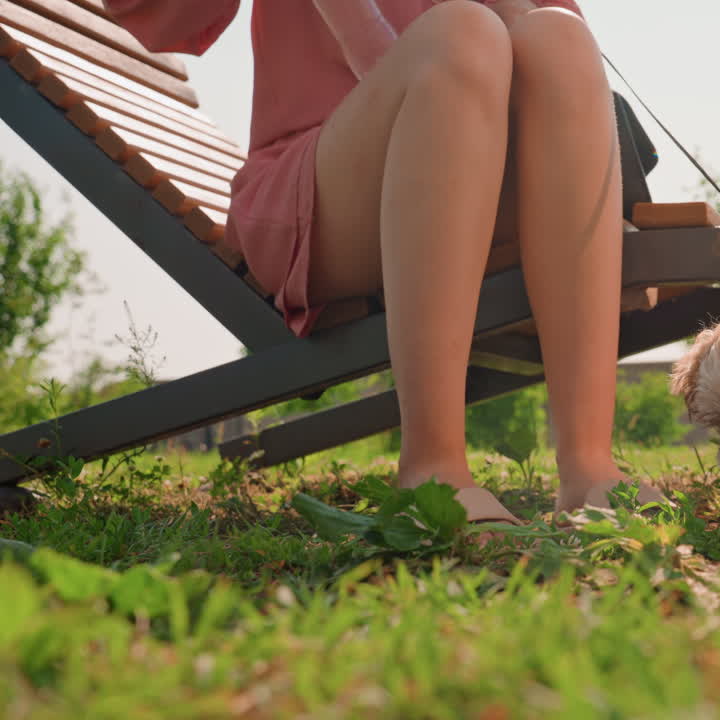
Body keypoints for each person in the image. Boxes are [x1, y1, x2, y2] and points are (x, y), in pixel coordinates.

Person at [105, 0, 663, 526]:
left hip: (483, 173)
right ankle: (432, 467)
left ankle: (589, 468)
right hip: (326, 187)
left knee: (556, 35)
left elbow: (556, 70)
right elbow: (158, 19)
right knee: (459, 35)